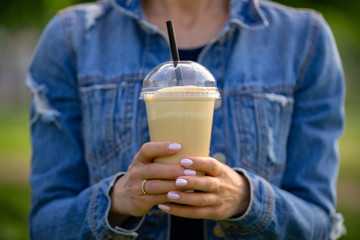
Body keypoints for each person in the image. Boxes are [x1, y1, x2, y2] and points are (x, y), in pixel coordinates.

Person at [26, 0, 346, 239]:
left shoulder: (306, 39)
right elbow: (45, 223)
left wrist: (248, 200)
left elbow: (318, 222)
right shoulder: (71, 37)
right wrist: (118, 200)